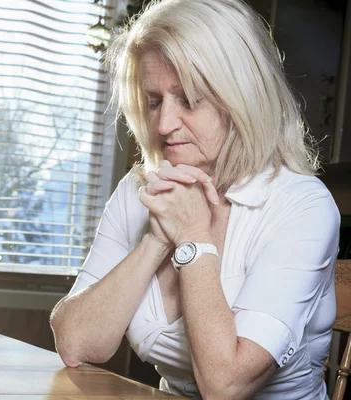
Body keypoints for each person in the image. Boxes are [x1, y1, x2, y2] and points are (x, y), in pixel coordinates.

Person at [49, 0, 341, 398]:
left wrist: (191, 235)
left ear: (242, 96)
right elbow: (75, 343)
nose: (164, 125)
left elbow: (227, 385)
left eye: (188, 99)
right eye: (154, 101)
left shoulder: (302, 207)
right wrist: (156, 240)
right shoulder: (142, 191)